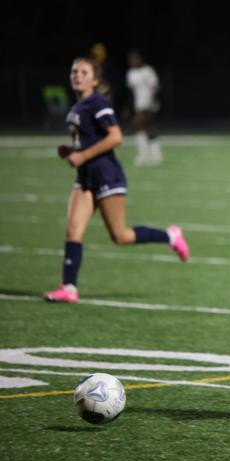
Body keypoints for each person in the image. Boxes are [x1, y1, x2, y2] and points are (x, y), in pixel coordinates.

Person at [43, 58, 189, 304]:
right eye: (74, 72)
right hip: (86, 178)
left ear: (95, 80)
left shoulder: (98, 103)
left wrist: (82, 155)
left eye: (83, 72)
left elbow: (115, 137)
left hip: (107, 175)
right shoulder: (77, 107)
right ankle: (69, 287)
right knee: (73, 231)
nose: (77, 76)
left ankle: (170, 236)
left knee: (120, 236)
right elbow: (88, 141)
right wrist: (70, 150)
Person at [126, 50, 162, 166]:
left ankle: (144, 154)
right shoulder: (131, 73)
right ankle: (154, 154)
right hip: (138, 104)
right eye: (131, 60)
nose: (134, 62)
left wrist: (154, 102)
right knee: (147, 127)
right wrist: (128, 106)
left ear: (140, 59)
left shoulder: (148, 71)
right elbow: (132, 92)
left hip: (148, 103)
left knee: (138, 125)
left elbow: (155, 87)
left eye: (135, 59)